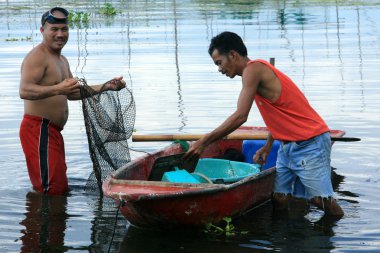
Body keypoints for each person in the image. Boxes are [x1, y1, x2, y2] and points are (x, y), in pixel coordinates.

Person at [183, 31, 344, 217]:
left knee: (320, 200)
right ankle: (285, 240)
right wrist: (267, 146)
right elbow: (278, 115)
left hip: (309, 142)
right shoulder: (254, 74)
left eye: (219, 62)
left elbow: (240, 116)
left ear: (233, 55)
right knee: (279, 197)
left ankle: (340, 233)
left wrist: (204, 141)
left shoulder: (253, 69)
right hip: (287, 146)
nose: (219, 69)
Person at [19, 7, 126, 195]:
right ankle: (42, 222)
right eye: (54, 29)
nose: (60, 34)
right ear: (43, 31)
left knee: (59, 186)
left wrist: (106, 86)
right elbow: (25, 90)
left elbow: (73, 93)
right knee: (51, 189)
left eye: (64, 29)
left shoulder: (62, 60)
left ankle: (56, 222)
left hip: (52, 132)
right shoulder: (38, 56)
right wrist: (58, 88)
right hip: (38, 130)